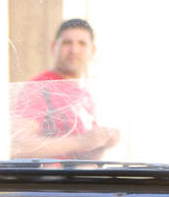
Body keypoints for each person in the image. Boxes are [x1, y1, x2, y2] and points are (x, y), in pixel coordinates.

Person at [10, 19, 120, 160]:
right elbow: (19, 146)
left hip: (75, 180)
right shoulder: (41, 87)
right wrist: (81, 141)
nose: (74, 50)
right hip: (48, 181)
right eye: (67, 43)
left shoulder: (84, 94)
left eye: (82, 43)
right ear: (53, 46)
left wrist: (101, 143)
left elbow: (78, 156)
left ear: (92, 50)